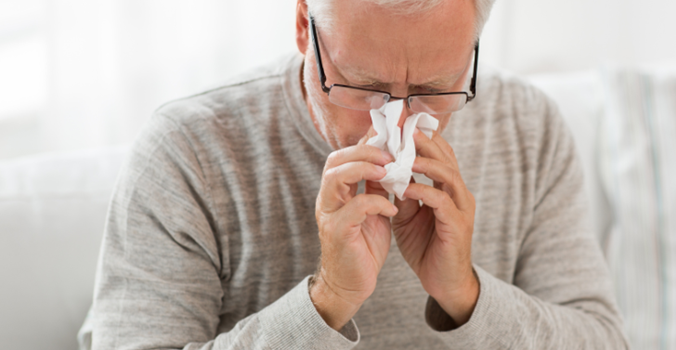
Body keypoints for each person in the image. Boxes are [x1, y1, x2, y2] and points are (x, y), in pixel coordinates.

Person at [79, 0, 630, 348]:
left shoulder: (528, 127)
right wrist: (328, 300)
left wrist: (465, 292)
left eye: (436, 88)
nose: (398, 122)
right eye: (361, 85)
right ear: (303, 28)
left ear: (473, 52)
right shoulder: (188, 152)